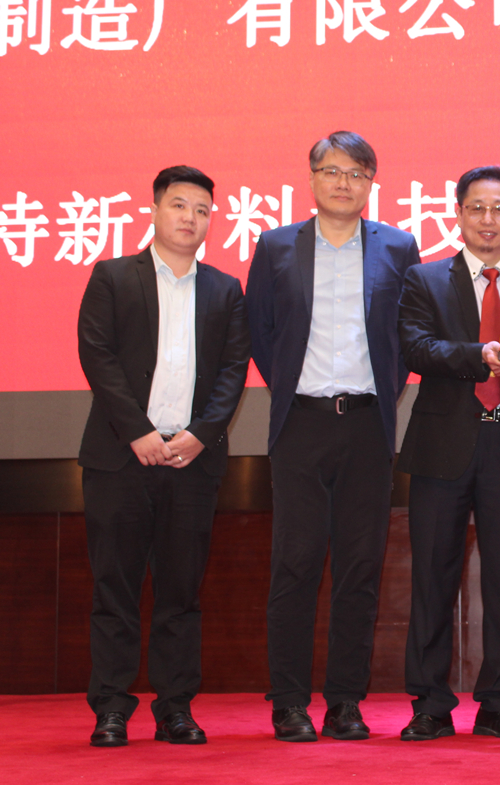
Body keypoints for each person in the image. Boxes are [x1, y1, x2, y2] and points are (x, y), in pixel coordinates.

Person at [245, 131, 420, 742]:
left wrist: (381, 392)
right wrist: (297, 388)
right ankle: (289, 701)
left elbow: (407, 336)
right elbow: (261, 331)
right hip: (301, 424)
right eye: (332, 171)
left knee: (358, 568)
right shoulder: (276, 246)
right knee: (294, 565)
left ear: (371, 183)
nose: (344, 182)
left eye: (357, 173)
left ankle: (345, 701)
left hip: (368, 426)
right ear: (312, 178)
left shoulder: (398, 247)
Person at [78, 165, 251, 747]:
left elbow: (233, 370)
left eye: (202, 211)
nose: (190, 219)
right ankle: (111, 709)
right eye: (179, 206)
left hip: (192, 463)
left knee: (181, 593)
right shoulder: (112, 276)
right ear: (154, 211)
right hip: (121, 459)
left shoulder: (225, 289)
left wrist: (201, 434)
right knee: (115, 590)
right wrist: (138, 431)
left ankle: (175, 708)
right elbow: (97, 356)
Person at [396, 166, 500, 741]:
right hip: (443, 445)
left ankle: (499, 703)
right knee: (432, 578)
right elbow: (416, 347)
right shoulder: (424, 278)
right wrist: (479, 355)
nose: (489, 219)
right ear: (458, 213)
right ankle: (430, 705)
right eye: (478, 208)